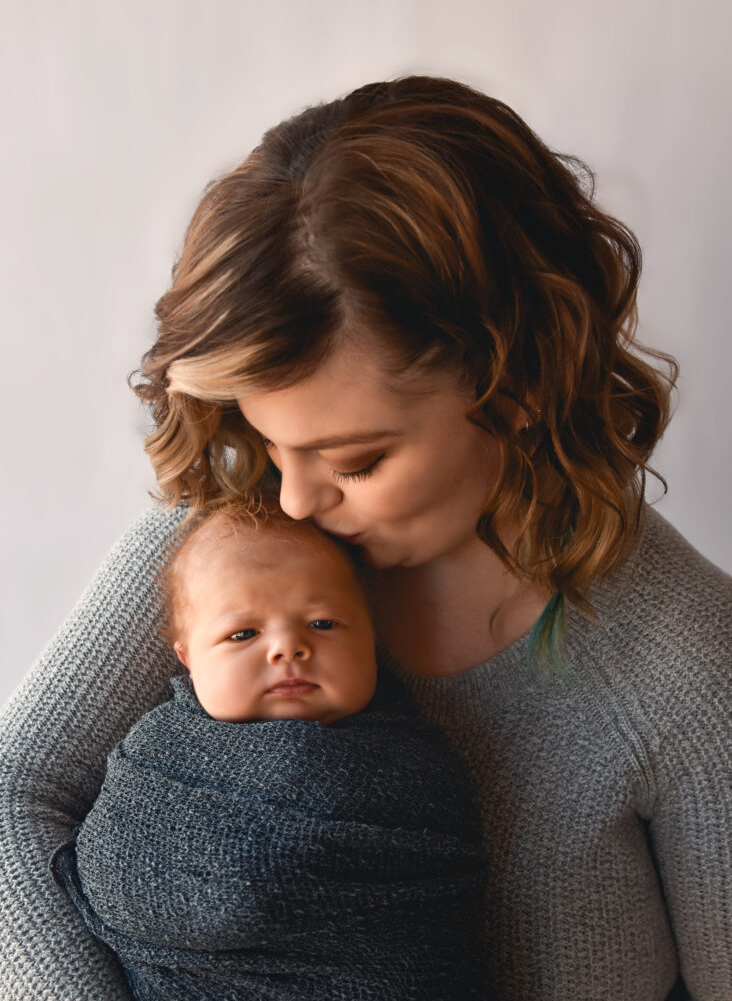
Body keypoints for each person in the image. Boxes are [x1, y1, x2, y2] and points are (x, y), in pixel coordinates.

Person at [0, 74, 730, 1001]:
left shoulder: (693, 675)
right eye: (271, 442)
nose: (297, 503)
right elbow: (11, 794)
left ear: (521, 385)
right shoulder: (229, 555)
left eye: (355, 461)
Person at [49, 501, 486, 1000]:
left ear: (371, 637)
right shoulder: (153, 750)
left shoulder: (412, 766)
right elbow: (107, 861)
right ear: (189, 659)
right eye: (243, 634)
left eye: (323, 624)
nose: (287, 647)